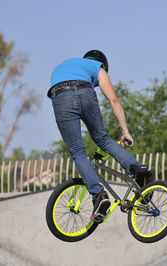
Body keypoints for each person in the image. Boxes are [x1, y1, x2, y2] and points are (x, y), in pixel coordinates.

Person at [48, 50, 152, 223]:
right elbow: (114, 100)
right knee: (103, 140)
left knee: (78, 153)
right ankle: (138, 171)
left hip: (60, 95)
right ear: (102, 63)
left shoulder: (61, 68)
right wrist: (125, 131)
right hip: (84, 92)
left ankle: (99, 196)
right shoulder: (97, 66)